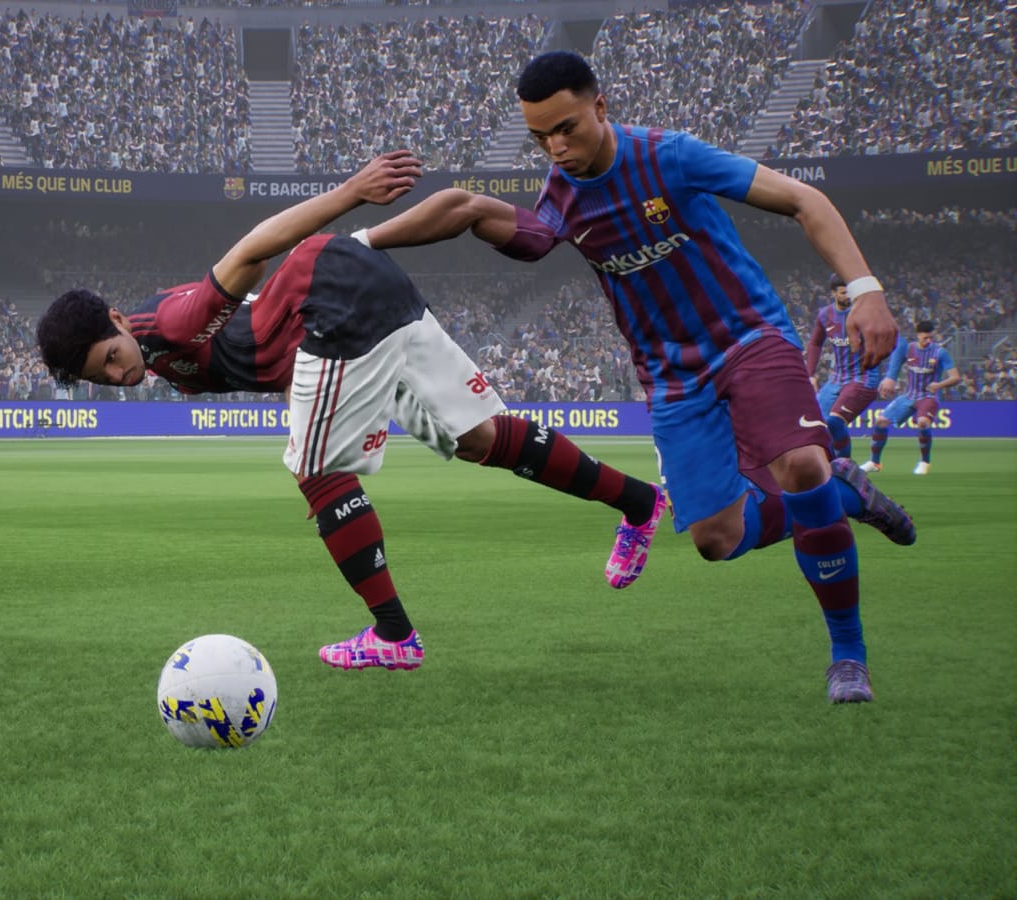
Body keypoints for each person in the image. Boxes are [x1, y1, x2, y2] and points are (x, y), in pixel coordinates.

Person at [360, 51, 917, 703]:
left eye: (566, 128)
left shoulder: (669, 157)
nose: (556, 148)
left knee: (798, 465)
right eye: (540, 138)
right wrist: (361, 244)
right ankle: (842, 493)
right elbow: (475, 214)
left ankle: (848, 656)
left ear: (601, 106)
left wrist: (866, 289)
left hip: (748, 337)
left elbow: (803, 198)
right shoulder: (561, 197)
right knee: (717, 539)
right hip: (671, 376)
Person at [36, 150, 668, 673]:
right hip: (361, 295)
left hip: (331, 303)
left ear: (119, 318)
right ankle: (641, 503)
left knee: (314, 469)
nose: (119, 375)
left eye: (112, 356)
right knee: (478, 439)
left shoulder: (171, 322)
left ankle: (394, 635)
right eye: (102, 378)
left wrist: (351, 192)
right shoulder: (147, 351)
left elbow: (252, 250)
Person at [806, 273, 885, 459]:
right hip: (836, 379)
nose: (848, 296)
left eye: (850, 292)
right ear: (833, 293)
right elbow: (815, 344)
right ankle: (829, 467)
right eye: (843, 293)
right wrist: (810, 374)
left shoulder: (864, 314)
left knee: (834, 421)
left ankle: (845, 467)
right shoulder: (825, 315)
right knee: (816, 424)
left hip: (863, 378)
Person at [864, 321, 960, 475]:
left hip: (928, 396)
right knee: (880, 421)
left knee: (922, 422)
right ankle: (874, 462)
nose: (928, 341)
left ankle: (924, 462)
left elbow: (955, 377)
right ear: (918, 335)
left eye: (931, 338)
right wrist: (890, 380)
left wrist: (939, 385)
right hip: (909, 395)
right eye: (925, 338)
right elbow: (894, 365)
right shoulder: (908, 349)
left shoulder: (940, 353)